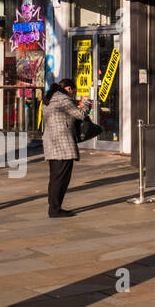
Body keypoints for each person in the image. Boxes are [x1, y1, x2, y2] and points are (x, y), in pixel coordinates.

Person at [42, 78, 91, 218]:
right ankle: (55, 209)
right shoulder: (63, 98)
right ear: (69, 89)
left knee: (55, 177)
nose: (72, 95)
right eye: (73, 92)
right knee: (62, 178)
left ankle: (54, 207)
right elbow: (80, 115)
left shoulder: (48, 99)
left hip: (51, 141)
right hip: (62, 143)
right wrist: (86, 103)